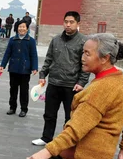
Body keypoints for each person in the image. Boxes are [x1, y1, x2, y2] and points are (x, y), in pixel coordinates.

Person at [32, 11, 89, 146]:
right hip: (54, 82)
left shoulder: (83, 42)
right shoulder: (56, 40)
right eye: (66, 22)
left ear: (77, 23)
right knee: (49, 113)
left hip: (71, 85)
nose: (68, 25)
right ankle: (46, 137)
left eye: (71, 22)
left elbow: (85, 64)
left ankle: (67, 141)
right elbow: (49, 59)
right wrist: (43, 75)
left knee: (70, 116)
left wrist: (81, 82)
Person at [0, 20, 38, 117]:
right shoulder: (12, 40)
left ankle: (24, 109)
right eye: (20, 27)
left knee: (24, 90)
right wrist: (2, 65)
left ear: (27, 29)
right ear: (17, 28)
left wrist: (34, 67)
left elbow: (34, 55)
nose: (21, 29)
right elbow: (7, 53)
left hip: (25, 70)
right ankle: (12, 107)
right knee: (13, 89)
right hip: (13, 68)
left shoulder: (31, 41)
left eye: (23, 27)